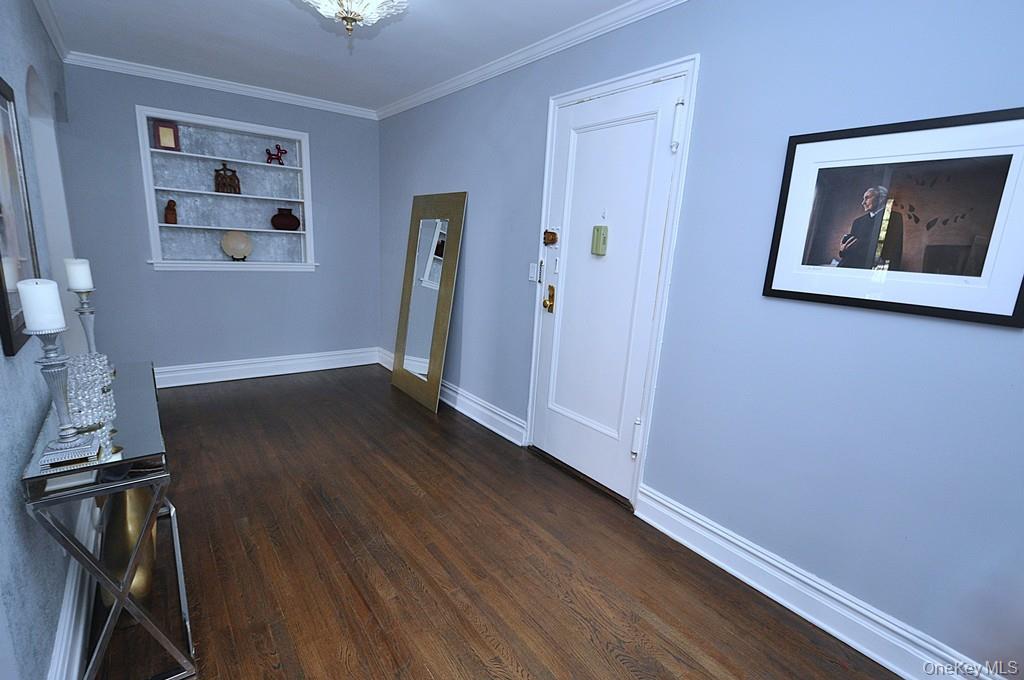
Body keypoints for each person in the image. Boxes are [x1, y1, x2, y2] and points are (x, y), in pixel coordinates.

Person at [836, 186, 903, 269]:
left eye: (867, 198)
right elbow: (850, 252)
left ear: (881, 199)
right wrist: (843, 250)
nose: (863, 202)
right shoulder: (858, 222)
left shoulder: (895, 218)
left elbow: (895, 251)